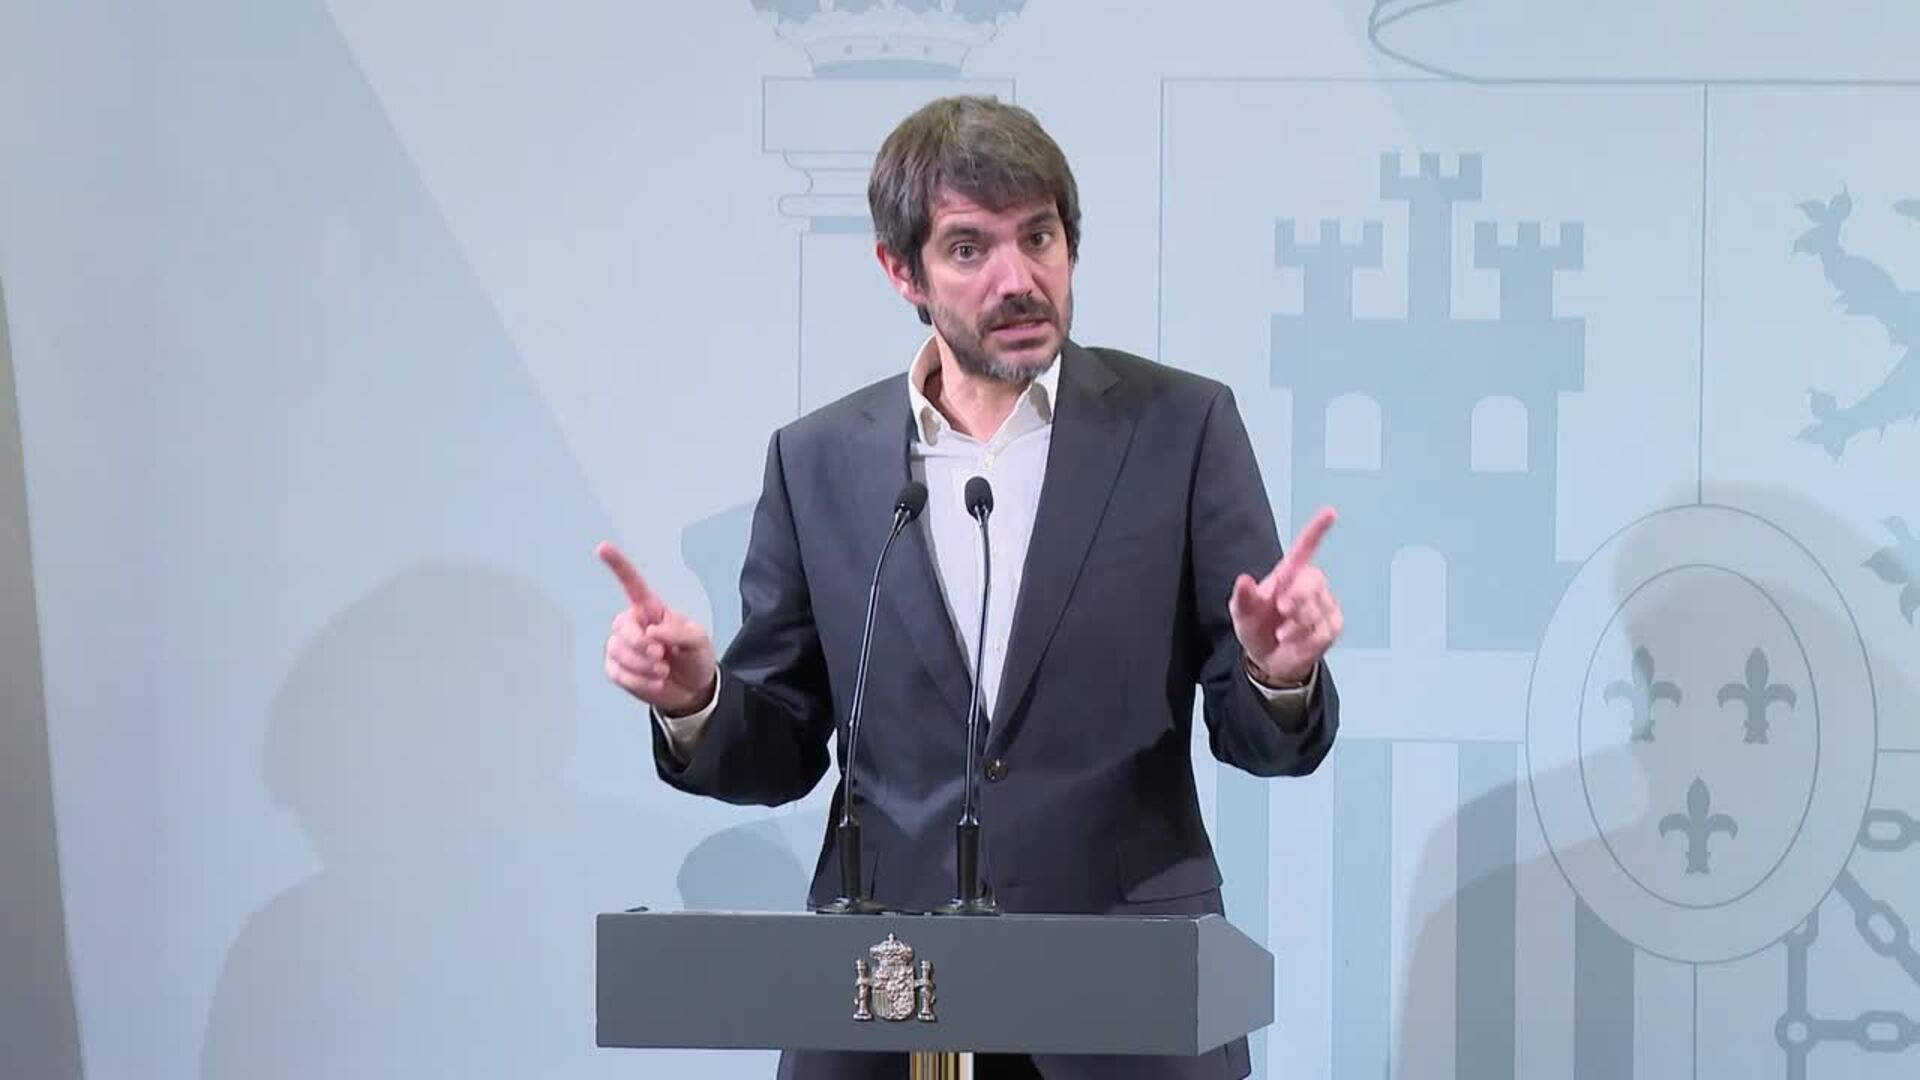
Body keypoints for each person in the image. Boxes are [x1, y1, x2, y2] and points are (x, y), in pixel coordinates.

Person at [598, 95, 1343, 1080]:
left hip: (1124, 996)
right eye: (968, 249)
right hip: (884, 995)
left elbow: (1258, 740)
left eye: (1039, 237)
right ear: (899, 270)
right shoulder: (818, 462)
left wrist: (1277, 675)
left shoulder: (1180, 428)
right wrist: (698, 701)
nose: (1018, 278)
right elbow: (780, 746)